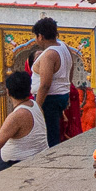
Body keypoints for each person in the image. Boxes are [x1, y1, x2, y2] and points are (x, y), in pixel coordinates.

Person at [26, 17, 75, 147]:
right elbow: (71, 67)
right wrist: (68, 88)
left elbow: (45, 84)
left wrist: (37, 106)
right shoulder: (64, 46)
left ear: (40, 36)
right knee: (54, 131)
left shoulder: (49, 55)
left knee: (49, 136)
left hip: (49, 99)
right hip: (61, 94)